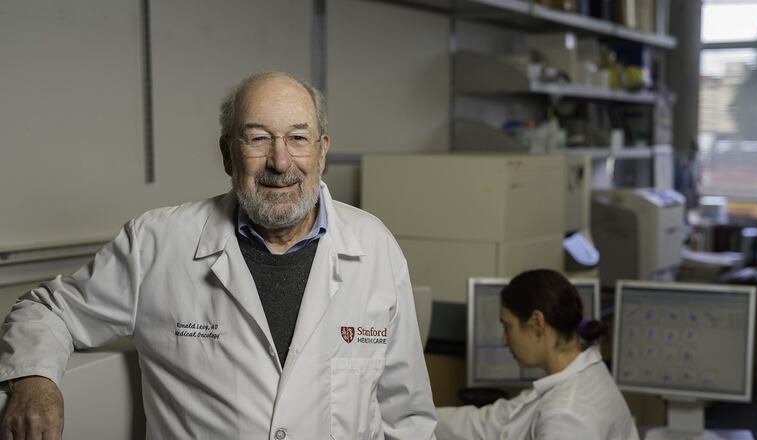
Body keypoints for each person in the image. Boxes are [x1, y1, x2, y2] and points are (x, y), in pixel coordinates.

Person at [0, 72, 437, 439]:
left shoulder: (375, 246)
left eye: (298, 138)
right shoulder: (157, 243)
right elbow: (46, 310)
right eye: (258, 138)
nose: (280, 161)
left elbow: (406, 416)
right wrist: (35, 381)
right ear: (228, 153)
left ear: (322, 150)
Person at [435, 269, 638, 440]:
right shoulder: (583, 375)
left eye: (508, 327)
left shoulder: (566, 415)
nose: (503, 340)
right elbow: (489, 422)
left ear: (537, 323)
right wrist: (415, 417)